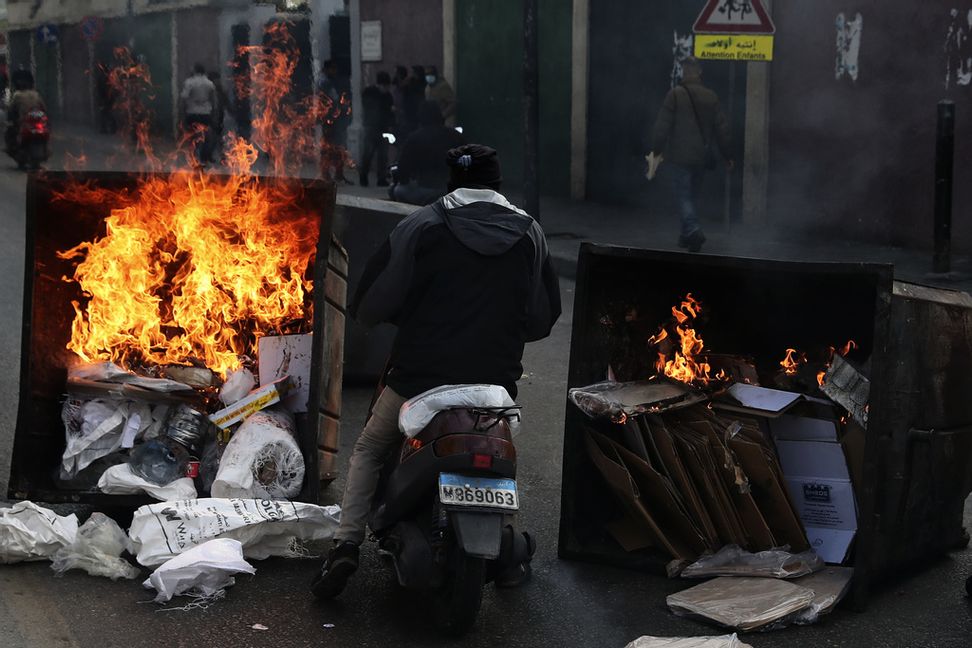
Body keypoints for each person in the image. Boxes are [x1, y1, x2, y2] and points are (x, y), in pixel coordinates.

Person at [310, 143, 562, 599]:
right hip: (494, 386)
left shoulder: (422, 224)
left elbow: (371, 300)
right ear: (497, 183)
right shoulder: (531, 233)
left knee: (368, 448)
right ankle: (505, 548)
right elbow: (543, 315)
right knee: (499, 457)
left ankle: (345, 545)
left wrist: (384, 315)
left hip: (418, 378)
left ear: (452, 182)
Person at [650, 57, 733, 253]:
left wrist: (656, 150)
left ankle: (693, 230)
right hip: (700, 158)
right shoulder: (710, 96)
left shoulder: (675, 95)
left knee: (683, 196)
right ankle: (686, 236)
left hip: (679, 157)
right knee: (691, 196)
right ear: (699, 72)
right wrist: (728, 155)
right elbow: (722, 129)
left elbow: (662, 126)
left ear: (684, 72)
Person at [389, 100, 465, 205]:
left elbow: (403, 170)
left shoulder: (415, 138)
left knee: (398, 190)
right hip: (453, 191)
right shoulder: (456, 136)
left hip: (426, 190)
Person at [359, 71, 395, 187]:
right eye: (385, 85)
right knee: (368, 154)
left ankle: (381, 178)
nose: (387, 88)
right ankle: (363, 177)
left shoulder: (387, 96)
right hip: (371, 128)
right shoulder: (370, 92)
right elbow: (369, 107)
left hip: (383, 128)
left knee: (383, 155)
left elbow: (389, 112)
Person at [319, 59, 351, 183]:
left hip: (335, 120)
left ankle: (338, 174)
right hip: (329, 121)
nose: (335, 71)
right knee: (328, 148)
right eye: (333, 69)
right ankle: (326, 174)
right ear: (328, 69)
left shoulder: (330, 81)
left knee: (338, 148)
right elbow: (332, 100)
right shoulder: (324, 82)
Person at [180, 63, 217, 163]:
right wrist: (213, 112)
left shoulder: (189, 82)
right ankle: (204, 157)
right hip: (205, 113)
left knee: (193, 136)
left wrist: (183, 113)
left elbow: (184, 98)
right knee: (206, 136)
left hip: (192, 112)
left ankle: (194, 157)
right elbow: (213, 100)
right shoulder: (209, 83)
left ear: (195, 70)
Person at [5, 70, 45, 153]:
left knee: (10, 129)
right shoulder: (36, 94)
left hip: (25, 121)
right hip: (37, 120)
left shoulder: (17, 95)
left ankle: (12, 147)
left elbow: (11, 109)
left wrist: (10, 119)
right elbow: (44, 108)